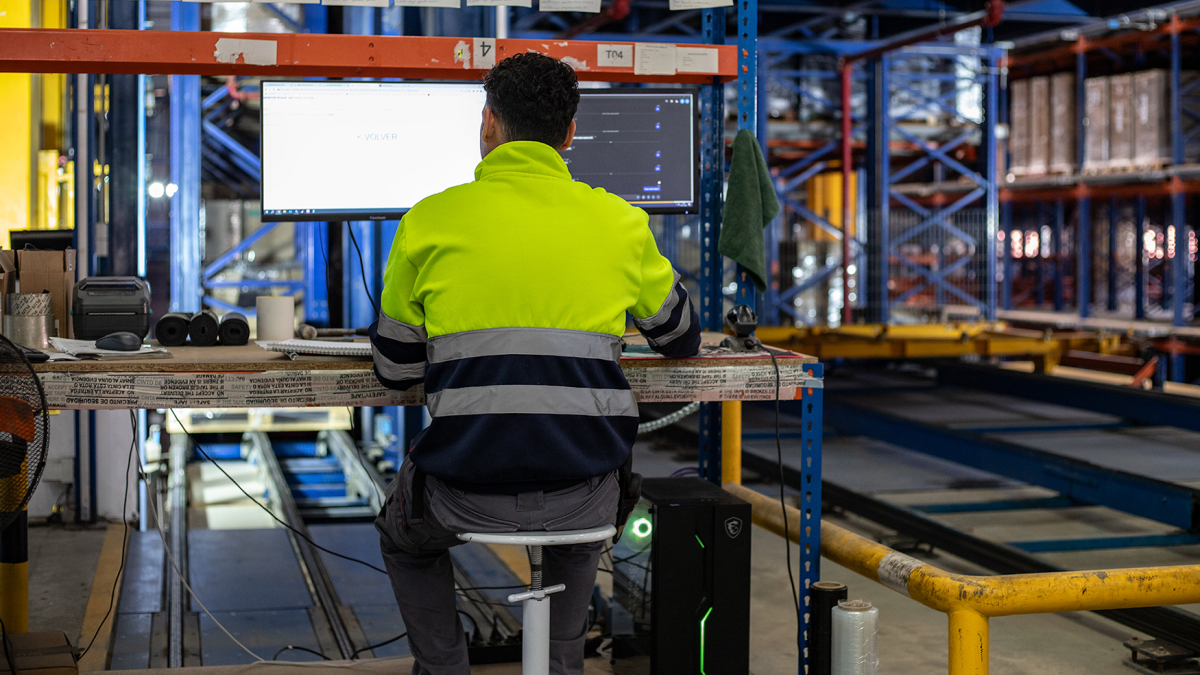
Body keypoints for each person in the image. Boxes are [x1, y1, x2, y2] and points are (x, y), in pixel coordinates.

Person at [370, 52, 701, 675]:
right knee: (581, 517)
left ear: (489, 123)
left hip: (462, 489)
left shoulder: (427, 221)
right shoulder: (621, 222)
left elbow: (394, 370)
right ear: (569, 134)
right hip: (585, 493)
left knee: (402, 536)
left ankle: (444, 670)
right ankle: (561, 664)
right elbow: (681, 339)